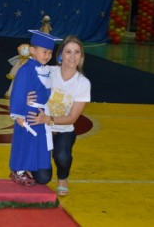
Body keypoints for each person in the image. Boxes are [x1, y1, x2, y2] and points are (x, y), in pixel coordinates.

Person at [27, 35, 91, 196]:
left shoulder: (83, 83)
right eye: (68, 51)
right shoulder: (48, 72)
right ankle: (32, 161)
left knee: (62, 156)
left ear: (81, 56)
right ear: (61, 55)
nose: (72, 56)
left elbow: (72, 118)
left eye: (77, 52)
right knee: (42, 178)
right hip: (42, 129)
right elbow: (25, 85)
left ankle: (63, 178)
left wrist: (49, 119)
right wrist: (26, 97)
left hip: (64, 129)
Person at [9, 30, 61, 186]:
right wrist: (18, 114)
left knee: (36, 143)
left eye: (50, 52)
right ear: (32, 50)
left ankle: (31, 169)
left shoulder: (46, 70)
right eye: (44, 51)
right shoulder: (26, 70)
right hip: (27, 114)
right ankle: (18, 170)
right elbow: (18, 92)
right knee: (24, 142)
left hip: (41, 115)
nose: (47, 55)